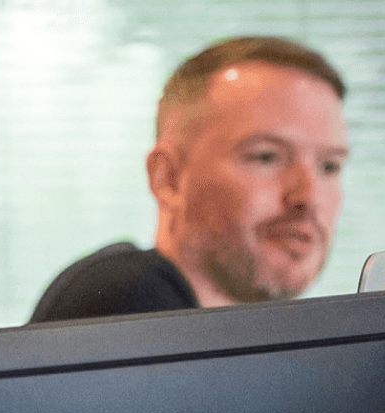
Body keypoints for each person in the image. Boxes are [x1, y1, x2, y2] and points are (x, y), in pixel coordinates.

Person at [30, 36, 349, 323]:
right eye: (266, 157)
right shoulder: (126, 303)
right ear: (167, 179)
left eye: (329, 167)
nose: (308, 196)